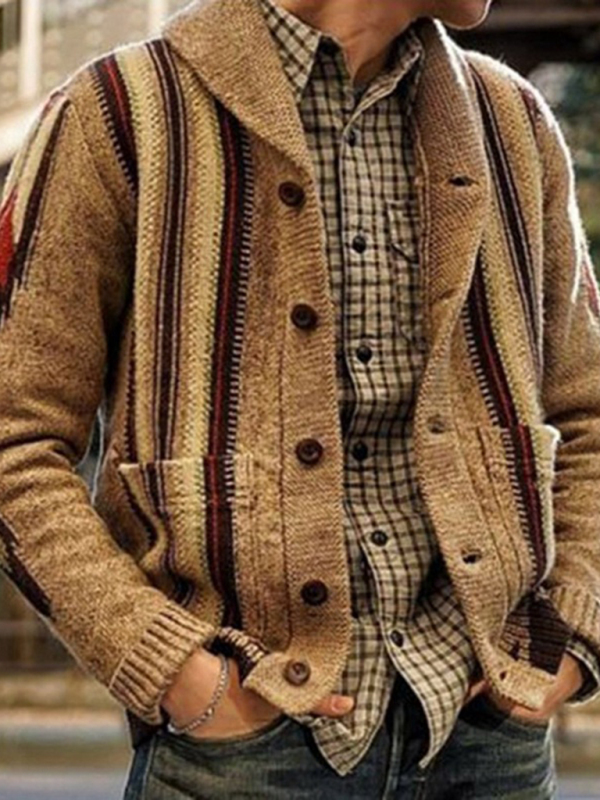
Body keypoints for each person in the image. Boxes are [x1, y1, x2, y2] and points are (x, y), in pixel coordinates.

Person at [0, 0, 599, 796]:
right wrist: (171, 666)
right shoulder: (115, 114)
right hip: (240, 748)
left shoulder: (513, 123)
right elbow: (15, 439)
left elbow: (588, 413)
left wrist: (572, 634)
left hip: (490, 739)